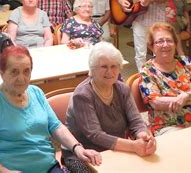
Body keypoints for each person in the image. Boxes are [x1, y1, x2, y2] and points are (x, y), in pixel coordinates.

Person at [0, 46, 102, 173]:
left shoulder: (36, 93)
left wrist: (78, 148)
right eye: (14, 72)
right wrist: (3, 171)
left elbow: (56, 127)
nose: (21, 78)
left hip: (48, 167)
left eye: (26, 71)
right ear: (2, 73)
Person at [63, 42, 155, 172]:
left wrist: (144, 136)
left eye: (114, 66)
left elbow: (136, 120)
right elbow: (95, 135)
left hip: (117, 150)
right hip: (85, 154)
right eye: (104, 66)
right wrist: (134, 146)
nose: (110, 72)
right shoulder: (82, 95)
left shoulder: (122, 89)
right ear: (92, 68)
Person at [139, 22, 191, 136]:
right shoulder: (147, 70)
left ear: (175, 44)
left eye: (169, 40)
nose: (165, 45)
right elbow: (156, 102)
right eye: (160, 41)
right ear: (151, 46)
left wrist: (186, 96)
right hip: (168, 125)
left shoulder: (185, 62)